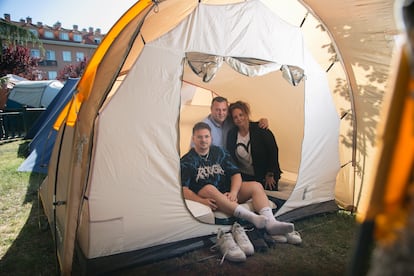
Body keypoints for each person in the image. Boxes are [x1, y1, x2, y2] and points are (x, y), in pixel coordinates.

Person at [180, 122, 294, 236]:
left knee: (256, 186)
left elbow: (236, 174)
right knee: (209, 188)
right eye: (199, 137)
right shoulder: (186, 161)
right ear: (193, 138)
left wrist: (233, 193)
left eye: (206, 136)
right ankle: (253, 218)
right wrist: (201, 201)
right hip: (210, 198)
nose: (203, 140)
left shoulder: (220, 152)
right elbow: (183, 189)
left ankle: (271, 223)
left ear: (211, 138)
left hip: (229, 193)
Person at [227, 101, 282, 191]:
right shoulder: (232, 134)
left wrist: (270, 174)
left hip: (266, 175)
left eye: (241, 115)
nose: (239, 119)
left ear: (246, 114)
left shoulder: (261, 129)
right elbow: (231, 157)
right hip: (245, 176)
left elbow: (273, 151)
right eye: (235, 117)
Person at [202, 96, 268, 148]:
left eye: (224, 110)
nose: (221, 113)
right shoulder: (203, 128)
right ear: (211, 109)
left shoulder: (230, 120)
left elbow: (244, 122)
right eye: (217, 110)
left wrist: (262, 121)